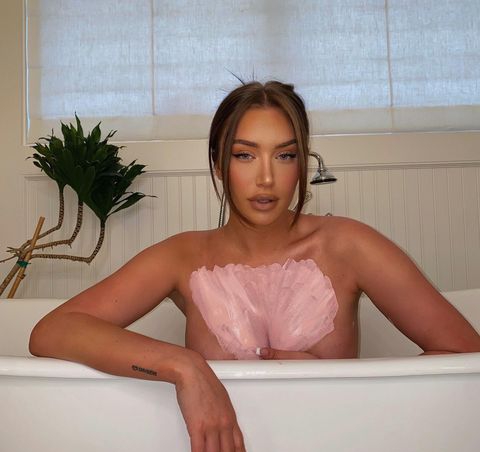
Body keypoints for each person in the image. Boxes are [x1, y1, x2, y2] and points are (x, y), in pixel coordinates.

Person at [29, 80, 480, 452]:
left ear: (301, 163)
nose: (266, 178)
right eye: (245, 155)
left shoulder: (349, 246)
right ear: (218, 164)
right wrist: (185, 367)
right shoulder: (183, 257)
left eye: (285, 155)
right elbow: (52, 332)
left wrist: (343, 391)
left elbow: (466, 356)